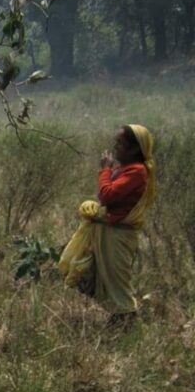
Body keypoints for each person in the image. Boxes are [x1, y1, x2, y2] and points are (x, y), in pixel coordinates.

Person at [58, 124, 156, 326]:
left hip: (118, 236)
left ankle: (126, 318)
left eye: (121, 143)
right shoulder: (123, 169)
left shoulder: (137, 172)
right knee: (87, 272)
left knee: (117, 280)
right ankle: (119, 315)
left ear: (135, 149)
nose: (116, 146)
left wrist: (104, 170)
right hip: (107, 231)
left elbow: (108, 195)